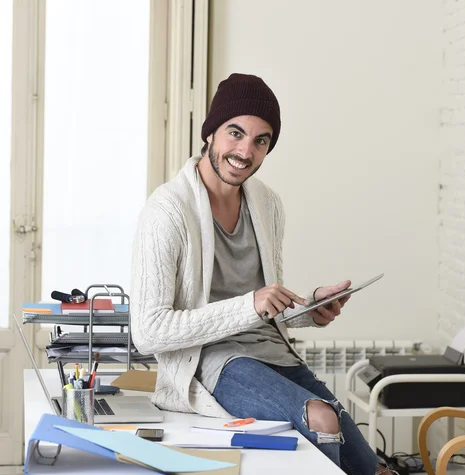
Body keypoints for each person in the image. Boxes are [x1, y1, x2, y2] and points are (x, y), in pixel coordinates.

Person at [131, 73, 396, 474]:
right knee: (321, 418)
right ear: (210, 134)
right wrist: (249, 305)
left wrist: (309, 309)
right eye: (235, 133)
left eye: (261, 140)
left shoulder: (267, 204)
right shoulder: (167, 211)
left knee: (369, 467)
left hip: (273, 352)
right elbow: (149, 332)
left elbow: (263, 308)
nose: (244, 151)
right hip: (214, 360)